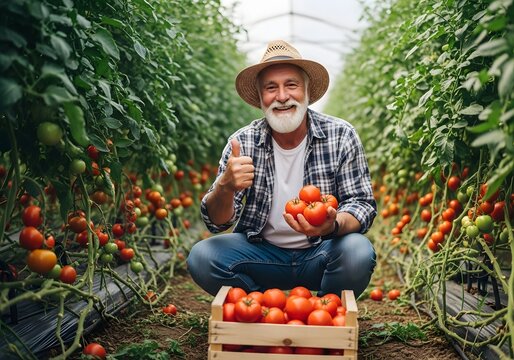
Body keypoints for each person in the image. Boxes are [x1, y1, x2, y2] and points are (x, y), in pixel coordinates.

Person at [186, 40, 376, 298]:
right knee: (202, 256)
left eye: (292, 85)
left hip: (322, 252)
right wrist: (225, 186)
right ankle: (262, 305)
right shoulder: (243, 142)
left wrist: (332, 226)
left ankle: (326, 309)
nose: (282, 96)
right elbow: (217, 223)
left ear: (307, 92)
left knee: (357, 252)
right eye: (271, 88)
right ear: (261, 98)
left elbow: (361, 204)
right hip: (261, 254)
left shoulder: (341, 135)